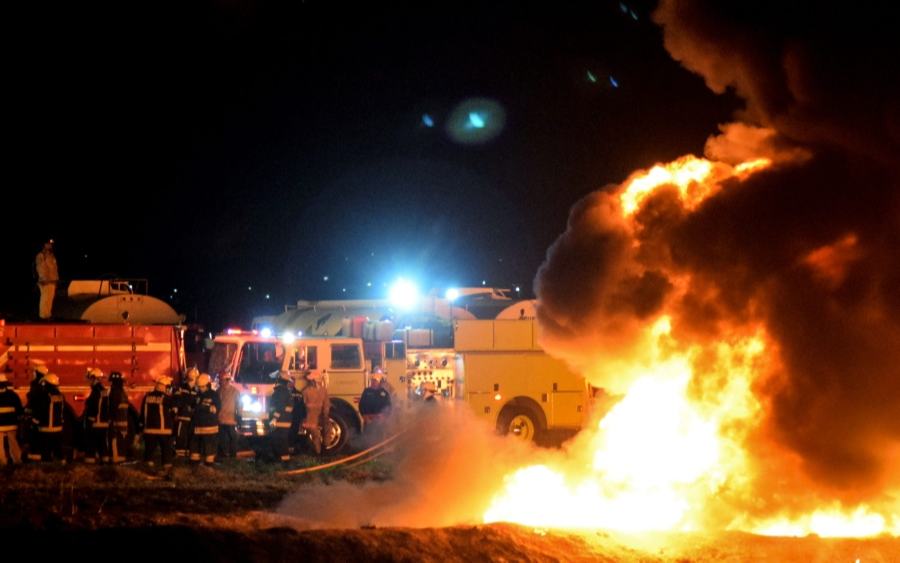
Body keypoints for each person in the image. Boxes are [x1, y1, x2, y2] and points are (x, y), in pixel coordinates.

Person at [141, 376, 175, 474]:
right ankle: (167, 468)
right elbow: (173, 410)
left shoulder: (147, 397)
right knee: (166, 449)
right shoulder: (166, 398)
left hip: (149, 429)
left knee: (149, 449)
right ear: (163, 386)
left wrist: (141, 425)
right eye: (167, 387)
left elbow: (143, 412)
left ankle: (148, 467)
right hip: (163, 430)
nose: (168, 390)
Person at [190, 373, 221, 469]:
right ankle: (195, 463)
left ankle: (209, 464)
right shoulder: (198, 395)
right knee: (195, 445)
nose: (200, 389)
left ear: (207, 385)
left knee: (208, 446)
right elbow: (193, 407)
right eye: (199, 387)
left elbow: (216, 409)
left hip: (209, 427)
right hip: (198, 426)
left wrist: (205, 408)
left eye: (202, 387)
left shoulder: (214, 395)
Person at [32, 373, 65, 462]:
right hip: (58, 428)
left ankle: (47, 465)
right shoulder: (60, 395)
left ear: (46, 383)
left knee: (46, 448)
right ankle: (62, 463)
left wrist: (34, 423)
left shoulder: (43, 396)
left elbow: (40, 411)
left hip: (46, 428)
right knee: (58, 448)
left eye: (44, 383)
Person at [83, 367, 111, 464]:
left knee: (91, 444)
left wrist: (90, 421)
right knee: (103, 444)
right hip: (103, 423)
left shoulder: (95, 391)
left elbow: (94, 407)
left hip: (95, 423)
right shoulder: (104, 391)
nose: (89, 381)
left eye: (90, 379)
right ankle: (105, 462)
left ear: (95, 379)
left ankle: (90, 463)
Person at [23, 363, 50, 461]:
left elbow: (33, 401)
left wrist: (27, 414)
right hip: (41, 416)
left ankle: (34, 457)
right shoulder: (43, 384)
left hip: (36, 416)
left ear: (37, 373)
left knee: (34, 436)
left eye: (34, 372)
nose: (33, 374)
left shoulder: (36, 385)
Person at [358, 369, 392, 442]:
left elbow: (389, 407)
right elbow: (361, 405)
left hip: (380, 421)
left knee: (379, 440)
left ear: (379, 382)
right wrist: (364, 416)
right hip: (368, 421)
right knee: (367, 440)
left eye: (375, 381)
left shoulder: (384, 393)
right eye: (372, 380)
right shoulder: (367, 391)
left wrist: (384, 417)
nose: (372, 382)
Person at [268, 371, 294, 463]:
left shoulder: (280, 392)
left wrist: (274, 419)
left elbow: (280, 407)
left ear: (278, 379)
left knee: (280, 440)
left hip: (280, 420)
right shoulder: (286, 391)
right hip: (284, 419)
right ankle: (283, 460)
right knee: (281, 440)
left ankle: (284, 462)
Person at [301, 370, 330, 455]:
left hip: (320, 415)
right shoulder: (306, 391)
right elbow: (302, 405)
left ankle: (325, 447)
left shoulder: (323, 390)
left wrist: (325, 413)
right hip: (310, 416)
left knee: (329, 427)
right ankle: (318, 453)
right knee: (315, 435)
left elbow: (326, 403)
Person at [173, 367, 199, 458]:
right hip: (182, 416)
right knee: (180, 435)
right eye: (190, 377)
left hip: (192, 418)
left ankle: (188, 453)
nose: (191, 379)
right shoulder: (181, 388)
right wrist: (175, 413)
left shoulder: (197, 390)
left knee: (191, 436)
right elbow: (176, 401)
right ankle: (179, 454)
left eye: (192, 377)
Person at [107, 371, 132, 463]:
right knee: (121, 442)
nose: (110, 384)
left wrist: (110, 419)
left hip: (116, 423)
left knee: (114, 442)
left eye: (111, 382)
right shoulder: (123, 393)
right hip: (123, 422)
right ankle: (120, 459)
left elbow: (113, 407)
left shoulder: (115, 393)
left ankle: (115, 461)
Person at [216, 371, 241, 459]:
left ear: (227, 380)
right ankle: (222, 456)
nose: (219, 382)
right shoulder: (218, 391)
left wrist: (239, 417)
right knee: (221, 439)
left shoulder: (235, 392)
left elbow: (239, 405)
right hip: (221, 419)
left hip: (231, 419)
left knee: (232, 439)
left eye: (221, 380)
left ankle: (232, 456)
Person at [0, 373, 24, 465]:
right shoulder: (13, 395)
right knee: (13, 443)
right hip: (12, 425)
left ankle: (2, 463)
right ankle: (17, 461)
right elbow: (19, 410)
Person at [34, 239, 59, 320]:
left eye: (50, 244)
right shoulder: (41, 255)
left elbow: (54, 269)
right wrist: (44, 278)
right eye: (48, 244)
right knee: (45, 298)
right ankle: (43, 316)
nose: (50, 246)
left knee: (49, 299)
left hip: (52, 280)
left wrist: (56, 279)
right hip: (45, 281)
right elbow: (40, 268)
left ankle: (47, 315)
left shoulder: (51, 256)